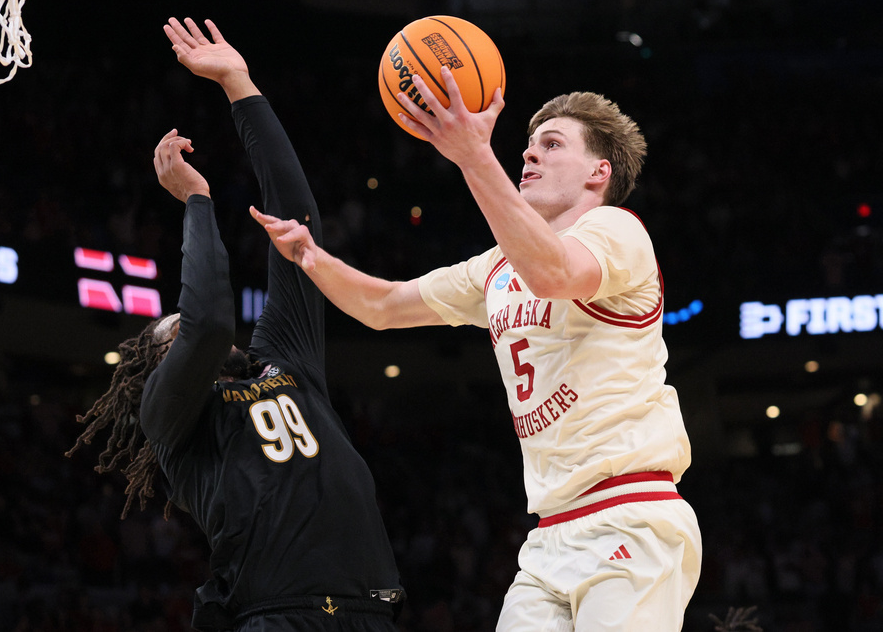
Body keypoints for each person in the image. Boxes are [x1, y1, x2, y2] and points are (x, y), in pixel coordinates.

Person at [252, 67, 701, 630]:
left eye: (552, 144)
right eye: (528, 146)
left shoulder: (618, 230)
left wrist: (472, 156)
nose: (529, 156)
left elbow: (556, 272)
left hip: (631, 515)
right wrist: (311, 258)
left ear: (598, 172)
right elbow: (386, 307)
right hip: (549, 534)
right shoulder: (497, 266)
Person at [67, 17, 404, 632]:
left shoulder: (284, 357)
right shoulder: (169, 420)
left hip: (371, 612)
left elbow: (299, 226)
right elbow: (209, 321)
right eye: (169, 330)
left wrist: (239, 85)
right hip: (277, 617)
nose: (180, 324)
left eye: (176, 317)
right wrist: (197, 202)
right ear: (158, 366)